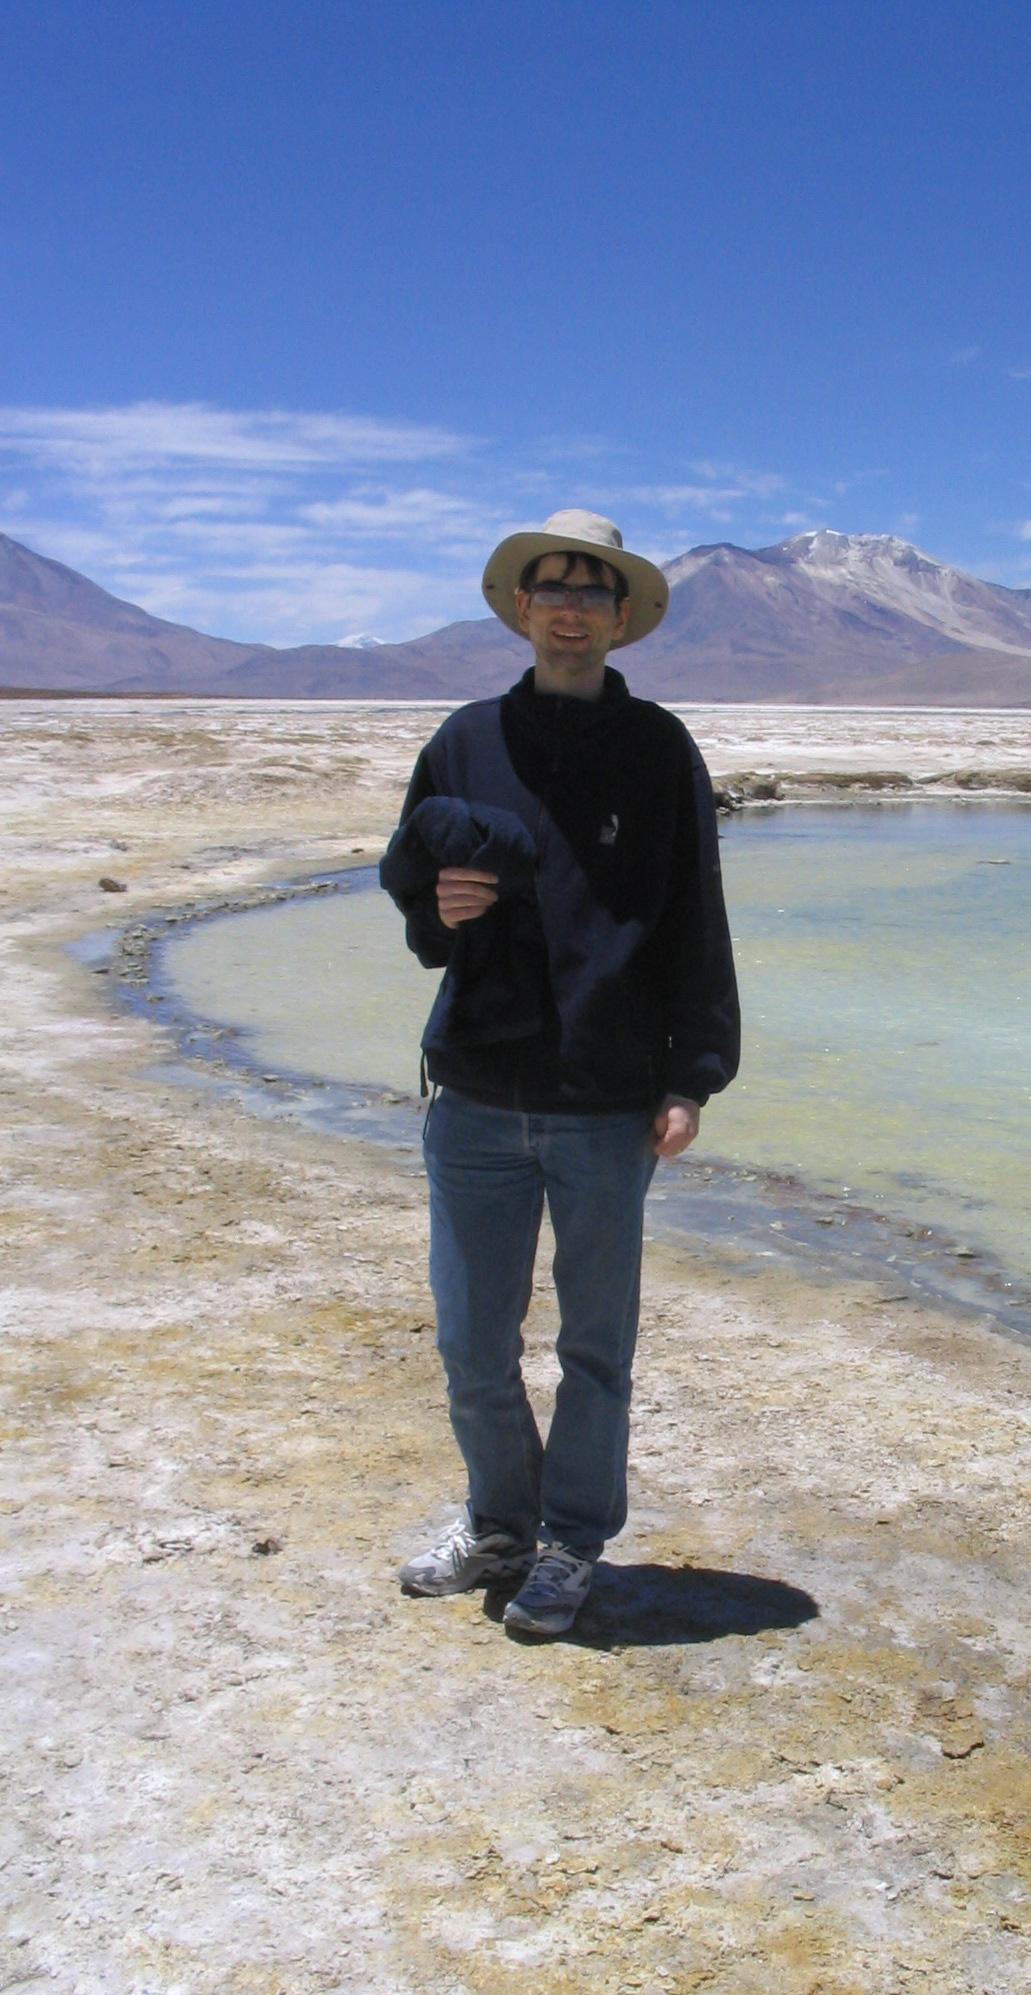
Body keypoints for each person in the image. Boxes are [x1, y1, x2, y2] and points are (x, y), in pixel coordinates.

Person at [380, 510, 739, 1636]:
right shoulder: (465, 741)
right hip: (477, 1095)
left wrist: (691, 1077)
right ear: (522, 608)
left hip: (605, 1103)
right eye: (552, 588)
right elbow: (415, 893)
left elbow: (694, 920)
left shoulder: (659, 749)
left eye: (592, 590)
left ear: (621, 618)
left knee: (595, 1346)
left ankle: (572, 1542)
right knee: (471, 1341)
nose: (571, 608)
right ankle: (499, 1524)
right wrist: (439, 910)